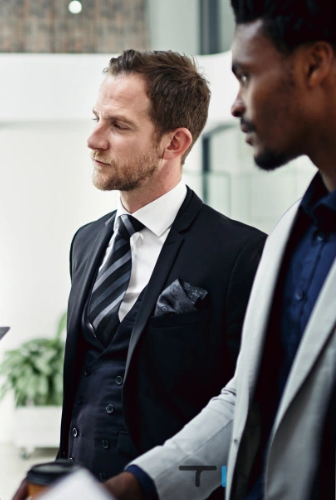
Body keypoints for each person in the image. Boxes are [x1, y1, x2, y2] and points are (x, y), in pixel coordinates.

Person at [104, 1, 336, 499]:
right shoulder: (293, 232)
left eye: (247, 76)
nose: (235, 105)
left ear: (316, 65)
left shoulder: (244, 249)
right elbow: (245, 396)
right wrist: (138, 484)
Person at [56, 50, 266, 493]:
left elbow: (248, 405)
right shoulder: (86, 242)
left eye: (118, 125)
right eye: (97, 118)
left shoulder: (241, 253)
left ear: (175, 143)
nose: (94, 139)